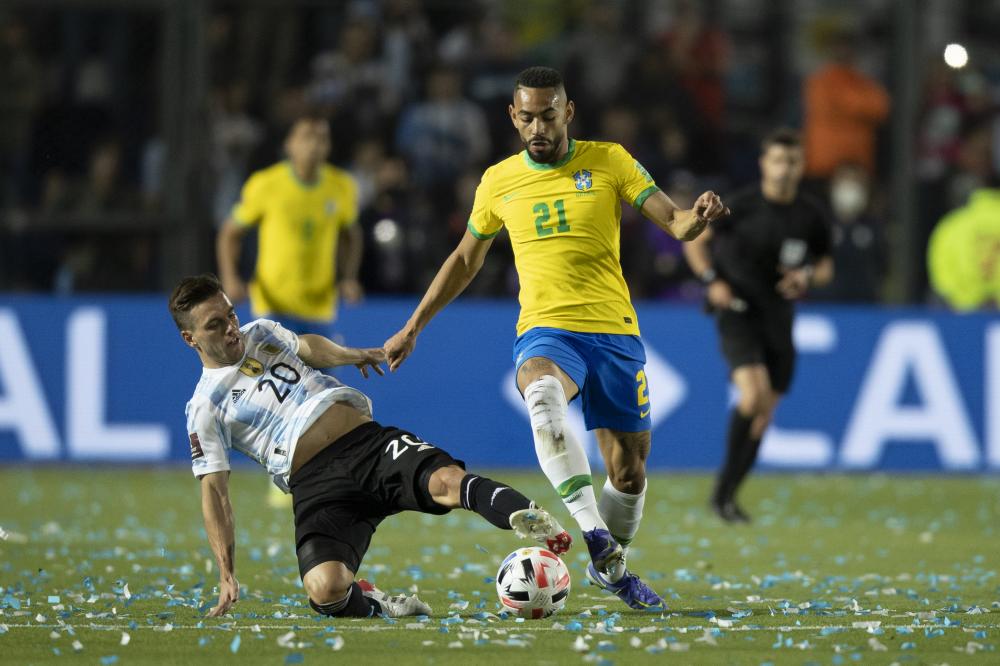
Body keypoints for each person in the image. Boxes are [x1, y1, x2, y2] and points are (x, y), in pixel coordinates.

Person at [384, 66, 728, 610]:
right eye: (527, 117)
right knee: (542, 399)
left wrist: (696, 218)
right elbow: (465, 259)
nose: (538, 127)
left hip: (613, 331)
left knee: (630, 473)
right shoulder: (498, 181)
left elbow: (675, 222)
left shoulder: (610, 160)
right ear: (513, 118)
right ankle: (595, 539)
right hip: (546, 330)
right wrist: (413, 326)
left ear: (567, 112)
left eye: (548, 115)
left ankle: (607, 561)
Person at [169, 273, 571, 619]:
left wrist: (352, 354)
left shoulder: (260, 332)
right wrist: (226, 572)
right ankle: (377, 602)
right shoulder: (205, 408)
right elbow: (215, 493)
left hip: (367, 446)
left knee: (448, 482)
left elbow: (306, 346)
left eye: (231, 315)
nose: (231, 328)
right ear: (190, 339)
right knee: (325, 590)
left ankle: (527, 515)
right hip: (316, 487)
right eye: (215, 325)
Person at [682, 128, 833, 523]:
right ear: (765, 164)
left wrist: (806, 278)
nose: (784, 169)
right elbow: (694, 241)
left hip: (779, 317)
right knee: (753, 396)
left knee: (764, 412)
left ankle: (728, 495)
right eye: (778, 161)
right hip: (737, 309)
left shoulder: (811, 214)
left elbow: (825, 264)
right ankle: (721, 495)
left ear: (801, 166)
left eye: (792, 162)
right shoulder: (741, 206)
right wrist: (711, 280)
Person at [216, 110, 363, 509]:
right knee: (278, 397)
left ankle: (323, 477)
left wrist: (348, 276)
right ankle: (281, 478)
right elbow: (231, 232)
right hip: (273, 307)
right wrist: (231, 278)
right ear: (289, 144)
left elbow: (351, 234)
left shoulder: (341, 187)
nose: (314, 144)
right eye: (306, 136)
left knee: (323, 399)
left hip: (319, 307)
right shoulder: (267, 185)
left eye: (321, 137)